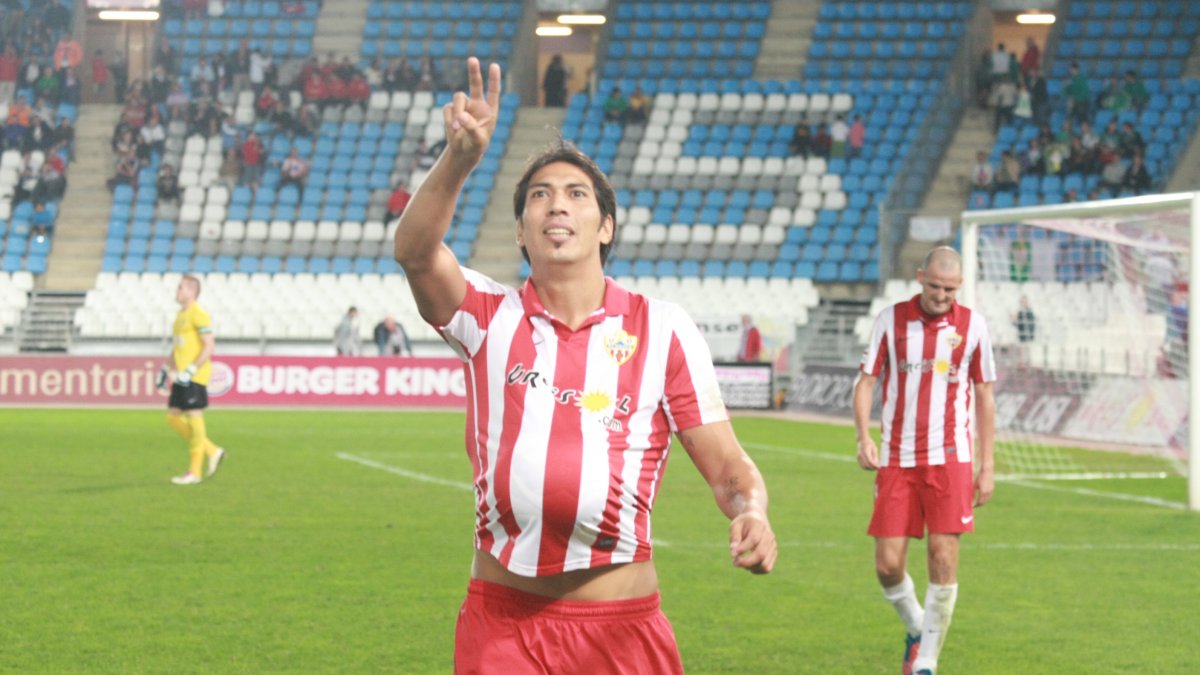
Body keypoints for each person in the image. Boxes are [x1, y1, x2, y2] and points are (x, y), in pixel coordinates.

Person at [392, 57, 777, 674]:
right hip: (503, 625)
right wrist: (460, 158)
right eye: (539, 198)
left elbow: (729, 468)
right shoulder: (489, 317)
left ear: (606, 226)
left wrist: (752, 511)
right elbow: (414, 253)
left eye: (576, 195)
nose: (556, 207)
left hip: (620, 632)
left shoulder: (665, 329)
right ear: (521, 231)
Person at [854, 246, 996, 675]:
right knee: (887, 565)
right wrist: (863, 436)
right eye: (934, 286)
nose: (941, 295)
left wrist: (986, 465)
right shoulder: (890, 321)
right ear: (920, 277)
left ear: (960, 286)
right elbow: (865, 383)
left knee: (943, 558)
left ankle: (927, 662)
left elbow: (985, 396)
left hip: (951, 458)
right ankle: (919, 627)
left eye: (950, 289)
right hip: (897, 458)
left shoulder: (973, 326)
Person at [157, 275, 226, 485]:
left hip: (195, 375)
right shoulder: (180, 316)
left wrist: (192, 369)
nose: (177, 291)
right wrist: (166, 368)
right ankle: (212, 450)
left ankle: (194, 472)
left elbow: (209, 346)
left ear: (192, 291)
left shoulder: (199, 314)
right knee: (172, 417)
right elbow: (178, 347)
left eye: (181, 288)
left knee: (195, 418)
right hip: (181, 375)